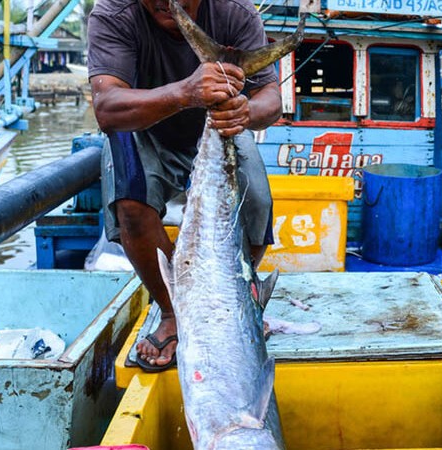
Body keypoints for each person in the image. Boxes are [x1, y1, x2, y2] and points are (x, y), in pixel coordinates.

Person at [87, 0, 282, 370]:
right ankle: (172, 311)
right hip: (143, 125)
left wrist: (247, 111)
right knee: (132, 204)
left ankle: (233, 298)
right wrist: (185, 93)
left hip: (219, 126)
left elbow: (271, 99)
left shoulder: (236, 12)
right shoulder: (114, 13)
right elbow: (107, 107)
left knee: (256, 204)